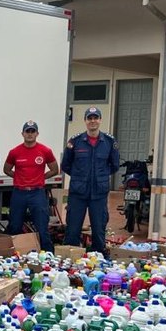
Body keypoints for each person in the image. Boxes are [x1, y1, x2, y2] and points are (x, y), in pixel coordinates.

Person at [61, 106, 120, 252]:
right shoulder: (75, 141)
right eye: (89, 118)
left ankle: (98, 259)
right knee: (73, 229)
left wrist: (100, 177)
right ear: (85, 121)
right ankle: (71, 257)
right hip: (78, 193)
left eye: (95, 118)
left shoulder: (108, 142)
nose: (92, 121)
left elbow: (114, 166)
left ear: (100, 120)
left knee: (99, 230)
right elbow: (66, 165)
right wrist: (79, 177)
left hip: (99, 194)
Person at [3, 120, 59, 252]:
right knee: (15, 226)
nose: (29, 134)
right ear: (22, 133)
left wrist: (41, 178)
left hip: (37, 193)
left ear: (37, 133)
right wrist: (18, 178)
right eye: (27, 131)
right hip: (19, 193)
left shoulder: (45, 151)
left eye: (32, 131)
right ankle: (12, 255)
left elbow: (54, 170)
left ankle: (48, 255)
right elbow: (7, 169)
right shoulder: (14, 152)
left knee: (42, 227)